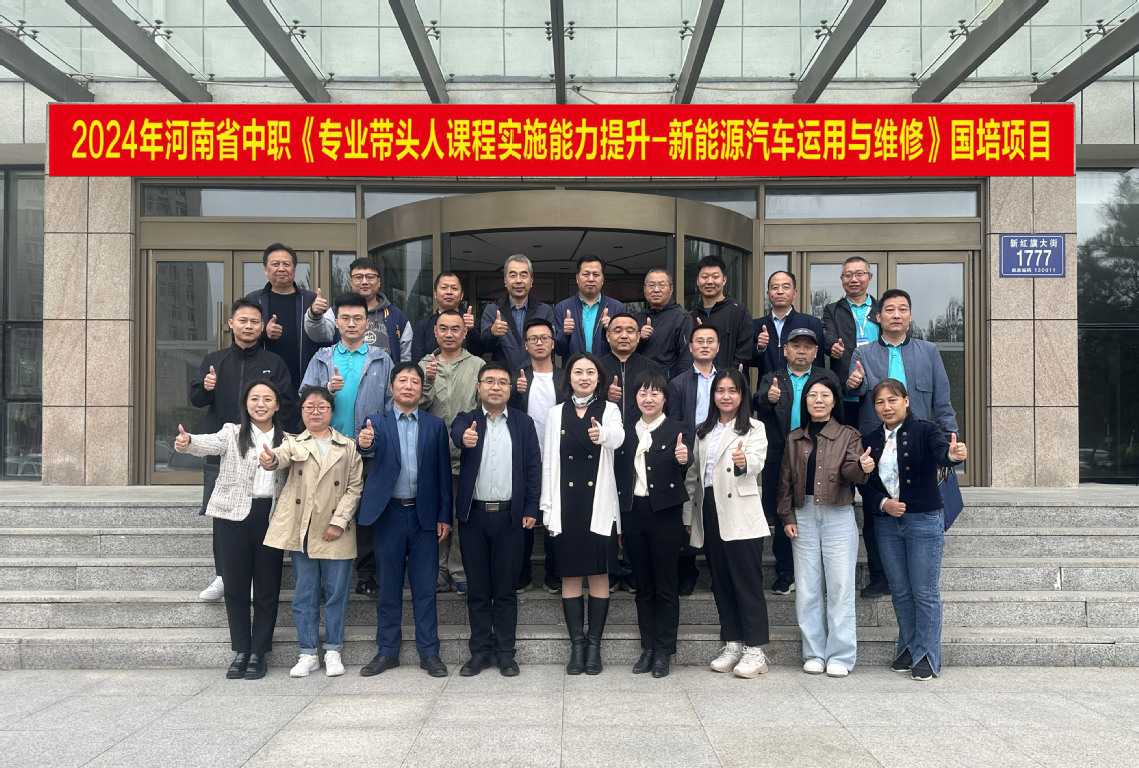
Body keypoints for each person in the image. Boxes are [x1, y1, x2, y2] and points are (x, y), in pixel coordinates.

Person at [174, 379, 287, 681]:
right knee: (235, 586)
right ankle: (241, 650)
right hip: (232, 517)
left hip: (271, 517)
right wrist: (188, 442)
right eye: (254, 398)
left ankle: (259, 651)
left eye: (267, 399)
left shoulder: (287, 439)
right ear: (245, 404)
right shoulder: (231, 432)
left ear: (277, 405)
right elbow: (206, 443)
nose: (261, 404)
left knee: (267, 588)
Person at [858, 378, 967, 681]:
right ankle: (908, 646)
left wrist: (952, 455)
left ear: (906, 401)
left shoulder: (926, 430)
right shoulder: (871, 439)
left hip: (924, 520)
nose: (886, 407)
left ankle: (928, 655)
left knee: (924, 592)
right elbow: (864, 484)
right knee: (901, 592)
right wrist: (883, 503)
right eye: (880, 402)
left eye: (893, 400)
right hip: (886, 524)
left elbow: (941, 453)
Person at [189, 298, 294, 602]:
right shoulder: (215, 360)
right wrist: (206, 387)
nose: (248, 326)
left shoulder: (274, 362)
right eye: (243, 320)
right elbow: (195, 399)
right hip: (223, 448)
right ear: (231, 323)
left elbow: (286, 403)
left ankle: (249, 576)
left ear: (262, 327)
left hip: (262, 447)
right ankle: (223, 575)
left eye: (254, 322)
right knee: (222, 514)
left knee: (259, 513)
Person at [259, 385, 364, 679]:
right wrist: (269, 460)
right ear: (302, 411)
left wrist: (338, 522)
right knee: (304, 595)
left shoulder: (348, 446)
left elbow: (355, 487)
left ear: (331, 411)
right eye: (309, 407)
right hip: (303, 530)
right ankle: (307, 652)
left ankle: (333, 650)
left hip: (338, 531)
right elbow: (279, 457)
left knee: (336, 594)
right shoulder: (293, 442)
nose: (316, 412)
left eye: (322, 407)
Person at [357, 363, 453, 678]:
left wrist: (444, 515)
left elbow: (443, 473)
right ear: (391, 387)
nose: (409, 386)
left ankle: (429, 652)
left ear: (421, 388)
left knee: (425, 588)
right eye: (402, 380)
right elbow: (367, 446)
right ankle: (387, 651)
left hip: (425, 516)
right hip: (389, 515)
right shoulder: (376, 422)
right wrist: (365, 443)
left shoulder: (435, 425)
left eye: (414, 381)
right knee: (389, 587)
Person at [298, 293, 395, 598]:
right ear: (336, 323)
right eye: (345, 318)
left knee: (365, 514)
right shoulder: (322, 358)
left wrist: (377, 438)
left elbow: (391, 405)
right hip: (327, 450)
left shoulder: (382, 359)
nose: (351, 324)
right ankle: (323, 577)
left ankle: (366, 575)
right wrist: (326, 389)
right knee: (324, 511)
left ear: (367, 323)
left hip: (366, 450)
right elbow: (305, 398)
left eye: (358, 318)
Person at [450, 362, 542, 677]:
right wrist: (465, 438)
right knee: (478, 589)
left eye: (502, 382)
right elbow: (457, 433)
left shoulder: (523, 423)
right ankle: (479, 653)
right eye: (489, 381)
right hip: (473, 517)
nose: (495, 387)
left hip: (510, 518)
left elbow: (533, 468)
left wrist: (531, 509)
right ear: (479, 387)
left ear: (510, 389)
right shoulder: (467, 420)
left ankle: (505, 653)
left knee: (504, 590)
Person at [776, 377, 873, 679]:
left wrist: (862, 468)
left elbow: (850, 471)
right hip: (803, 514)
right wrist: (787, 517)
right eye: (812, 395)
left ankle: (841, 655)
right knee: (807, 589)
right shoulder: (794, 438)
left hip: (838, 514)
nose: (818, 400)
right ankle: (814, 653)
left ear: (834, 401)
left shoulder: (849, 435)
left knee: (840, 587)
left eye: (825, 395)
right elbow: (785, 481)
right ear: (804, 401)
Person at [540, 352, 624, 675]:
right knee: (571, 576)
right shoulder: (555, 413)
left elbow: (619, 437)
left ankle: (594, 646)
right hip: (566, 504)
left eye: (590, 372)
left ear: (598, 378)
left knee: (599, 574)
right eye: (578, 372)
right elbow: (549, 462)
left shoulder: (609, 410)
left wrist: (602, 435)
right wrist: (548, 509)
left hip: (598, 504)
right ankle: (577, 646)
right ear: (569, 378)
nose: (584, 377)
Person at [685, 368, 771, 679]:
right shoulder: (702, 431)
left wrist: (744, 462)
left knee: (746, 582)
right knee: (721, 581)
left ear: (742, 395)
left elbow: (758, 461)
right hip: (709, 508)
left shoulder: (754, 428)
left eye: (732, 390)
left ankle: (755, 649)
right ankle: (733, 643)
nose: (726, 396)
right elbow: (693, 476)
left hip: (739, 510)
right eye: (720, 390)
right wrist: (688, 514)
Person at [615, 370, 693, 678]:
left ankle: (664, 651)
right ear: (635, 397)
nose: (649, 399)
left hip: (665, 514)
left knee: (665, 585)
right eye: (643, 393)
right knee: (643, 585)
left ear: (665, 397)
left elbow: (685, 460)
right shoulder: (625, 431)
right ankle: (647, 647)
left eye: (655, 393)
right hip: (633, 512)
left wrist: (683, 457)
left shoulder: (677, 429)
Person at [752, 328, 842, 596]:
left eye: (807, 346)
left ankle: (816, 575)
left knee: (815, 511)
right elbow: (757, 404)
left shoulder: (826, 378)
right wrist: (767, 399)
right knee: (782, 514)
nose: (801, 351)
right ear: (785, 350)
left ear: (815, 352)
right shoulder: (771, 378)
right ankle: (785, 573)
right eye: (796, 345)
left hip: (818, 455)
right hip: (779, 457)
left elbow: (839, 417)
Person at [418, 310, 483, 594]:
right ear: (435, 332)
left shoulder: (477, 365)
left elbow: (484, 407)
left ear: (464, 332)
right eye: (443, 328)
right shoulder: (423, 365)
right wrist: (427, 381)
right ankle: (438, 569)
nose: (449, 334)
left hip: (465, 454)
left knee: (460, 515)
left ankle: (458, 569)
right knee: (436, 514)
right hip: (431, 455)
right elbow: (415, 407)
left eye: (455, 329)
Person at [847, 288, 959, 435]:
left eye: (903, 310)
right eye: (889, 310)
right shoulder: (862, 353)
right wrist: (856, 383)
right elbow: (854, 391)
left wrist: (949, 435)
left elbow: (942, 402)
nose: (896, 315)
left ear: (910, 316)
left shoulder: (929, 351)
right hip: (875, 436)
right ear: (878, 317)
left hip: (919, 435)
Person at [510, 318, 563, 594]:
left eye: (545, 338)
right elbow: (507, 413)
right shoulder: (517, 377)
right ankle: (522, 574)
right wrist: (515, 394)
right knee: (525, 516)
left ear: (553, 343)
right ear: (526, 345)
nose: (539, 343)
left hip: (558, 457)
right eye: (533, 339)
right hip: (525, 457)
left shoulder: (566, 376)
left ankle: (554, 573)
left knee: (555, 517)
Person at [666, 325, 720, 595]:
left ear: (718, 347)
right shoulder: (678, 383)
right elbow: (675, 422)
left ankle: (719, 573)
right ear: (690, 347)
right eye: (699, 341)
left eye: (710, 341)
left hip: (720, 449)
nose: (705, 345)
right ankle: (687, 573)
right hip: (690, 450)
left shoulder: (728, 380)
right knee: (687, 510)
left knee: (716, 510)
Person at [246, 243, 324, 403]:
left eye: (286, 264)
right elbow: (238, 339)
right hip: (263, 384)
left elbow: (326, 339)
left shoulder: (310, 301)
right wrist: (263, 333)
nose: (281, 268)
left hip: (304, 383)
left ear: (294, 269)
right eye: (275, 264)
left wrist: (316, 315)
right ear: (265, 269)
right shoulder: (253, 300)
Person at [304, 257, 413, 363]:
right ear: (351, 281)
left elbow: (406, 358)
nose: (364, 282)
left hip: (385, 375)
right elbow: (318, 335)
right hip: (344, 374)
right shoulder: (336, 312)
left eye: (370, 277)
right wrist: (314, 314)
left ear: (379, 282)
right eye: (358, 277)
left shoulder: (396, 316)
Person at [821, 256, 879, 427]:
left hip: (879, 388)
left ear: (869, 277)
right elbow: (828, 334)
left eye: (859, 274)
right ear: (842, 279)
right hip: (846, 390)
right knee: (847, 438)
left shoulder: (881, 308)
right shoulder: (832, 310)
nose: (853, 279)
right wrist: (832, 346)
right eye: (848, 275)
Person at [480, 255, 557, 373]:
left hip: (535, 377)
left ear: (531, 281)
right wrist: (492, 333)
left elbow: (551, 347)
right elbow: (483, 346)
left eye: (523, 275)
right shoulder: (492, 310)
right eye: (513, 275)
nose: (518, 280)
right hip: (503, 379)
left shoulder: (545, 311)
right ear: (505, 281)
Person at [752, 270, 824, 377]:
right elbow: (748, 361)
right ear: (768, 294)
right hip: (767, 386)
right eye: (775, 287)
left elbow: (818, 364)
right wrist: (759, 348)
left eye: (785, 287)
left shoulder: (811, 323)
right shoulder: (757, 325)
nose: (780, 292)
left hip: (802, 385)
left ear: (795, 293)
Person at [554, 255, 625, 359]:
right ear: (577, 278)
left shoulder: (617, 307)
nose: (591, 279)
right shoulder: (562, 308)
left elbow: (623, 349)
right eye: (586, 274)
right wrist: (565, 334)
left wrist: (612, 331)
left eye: (596, 274)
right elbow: (558, 351)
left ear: (603, 279)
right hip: (575, 368)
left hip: (605, 368)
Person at [689, 255, 752, 371]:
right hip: (698, 380)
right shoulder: (691, 315)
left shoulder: (738, 310)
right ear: (698, 281)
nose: (709, 281)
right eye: (705, 277)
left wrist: (729, 377)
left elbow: (745, 352)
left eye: (715, 277)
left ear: (724, 280)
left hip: (731, 380)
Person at [600, 313, 660, 424]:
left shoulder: (652, 368)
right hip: (606, 431)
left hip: (643, 431)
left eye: (630, 331)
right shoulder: (596, 368)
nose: (624, 336)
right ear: (608, 336)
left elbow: (661, 404)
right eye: (618, 331)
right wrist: (606, 396)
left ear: (638, 337)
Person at [635, 268, 694, 380]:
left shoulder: (682, 317)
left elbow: (686, 356)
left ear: (671, 289)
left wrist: (679, 385)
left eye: (662, 285)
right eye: (651, 285)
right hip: (641, 383)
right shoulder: (638, 318)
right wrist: (640, 339)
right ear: (644, 290)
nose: (656, 290)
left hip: (668, 383)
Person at [412, 271, 483, 361]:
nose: (449, 292)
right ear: (435, 293)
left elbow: (479, 354)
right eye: (444, 288)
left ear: (461, 295)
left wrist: (471, 331)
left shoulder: (473, 324)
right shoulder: (423, 326)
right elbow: (417, 362)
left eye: (454, 288)